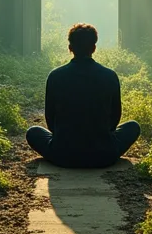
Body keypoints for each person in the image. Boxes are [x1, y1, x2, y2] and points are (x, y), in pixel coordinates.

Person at [26, 23, 141, 168]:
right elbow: (114, 119)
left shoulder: (55, 76)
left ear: (70, 48)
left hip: (63, 155)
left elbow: (50, 121)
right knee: (133, 127)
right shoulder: (109, 76)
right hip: (103, 155)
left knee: (33, 132)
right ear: (93, 48)